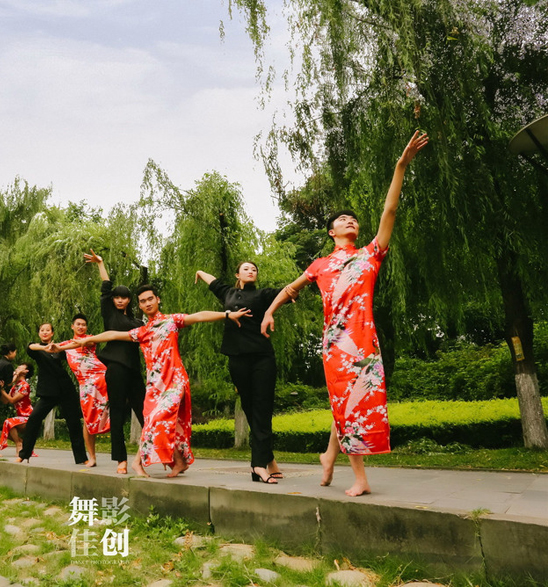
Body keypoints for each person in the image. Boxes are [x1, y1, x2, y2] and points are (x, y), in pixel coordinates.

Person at [261, 131, 429, 496]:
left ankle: (328, 455)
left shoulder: (371, 255)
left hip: (365, 340)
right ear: (331, 231)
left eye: (353, 219)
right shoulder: (320, 264)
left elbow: (390, 211)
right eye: (342, 220)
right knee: (347, 401)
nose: (350, 221)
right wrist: (269, 312)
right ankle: (361, 479)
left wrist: (401, 165)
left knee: (356, 400)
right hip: (336, 344)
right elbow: (290, 288)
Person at [75, 286, 248, 478]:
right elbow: (113, 334)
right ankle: (180, 462)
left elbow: (198, 316)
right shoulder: (143, 331)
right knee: (161, 420)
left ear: (158, 299)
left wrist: (226, 315)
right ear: (139, 306)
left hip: (175, 380)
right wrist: (84, 341)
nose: (147, 303)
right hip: (155, 385)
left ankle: (136, 462)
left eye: (150, 299)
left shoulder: (171, 321)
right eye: (143, 301)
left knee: (158, 417)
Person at [195, 262, 285, 484]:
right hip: (237, 358)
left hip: (262, 357)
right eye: (246, 268)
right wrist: (199, 271)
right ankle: (269, 458)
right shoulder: (228, 293)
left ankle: (258, 466)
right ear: (238, 274)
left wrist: (309, 276)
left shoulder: (265, 294)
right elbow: (212, 280)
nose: (251, 270)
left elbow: (289, 292)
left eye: (254, 268)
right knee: (249, 406)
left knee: (262, 409)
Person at [82, 250, 145, 474]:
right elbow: (106, 286)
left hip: (134, 370)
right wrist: (101, 263)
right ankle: (121, 460)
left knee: (145, 412)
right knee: (117, 413)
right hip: (116, 369)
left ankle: (153, 454)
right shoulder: (110, 314)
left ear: (129, 300)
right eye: (117, 297)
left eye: (124, 297)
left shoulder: (138, 321)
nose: (119, 300)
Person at [17, 323, 88, 465]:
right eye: (42, 330)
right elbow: (30, 346)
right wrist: (45, 348)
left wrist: (59, 347)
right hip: (48, 391)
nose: (44, 332)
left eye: (47, 330)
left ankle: (82, 458)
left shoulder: (59, 349)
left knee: (74, 423)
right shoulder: (37, 349)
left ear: (52, 333)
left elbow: (73, 349)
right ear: (39, 334)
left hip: (65, 389)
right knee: (34, 420)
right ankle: (24, 454)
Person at [47, 314, 110, 467]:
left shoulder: (89, 339)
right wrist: (48, 346)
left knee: (114, 416)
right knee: (88, 421)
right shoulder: (65, 344)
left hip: (102, 379)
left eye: (83, 324)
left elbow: (78, 344)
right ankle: (92, 457)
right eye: (78, 324)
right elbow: (47, 349)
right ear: (72, 326)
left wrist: (61, 347)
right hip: (86, 385)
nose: (81, 327)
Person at [0, 363, 35, 455]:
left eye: (20, 367)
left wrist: (2, 391)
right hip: (20, 417)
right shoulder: (15, 387)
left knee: (8, 422)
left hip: (28, 416)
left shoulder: (25, 385)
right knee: (6, 429)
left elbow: (12, 400)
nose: (17, 368)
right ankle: (21, 442)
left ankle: (18, 444)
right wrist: (2, 389)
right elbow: (5, 401)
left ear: (25, 372)